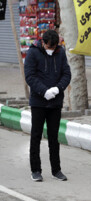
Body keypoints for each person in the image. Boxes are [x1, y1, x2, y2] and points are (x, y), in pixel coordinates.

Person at [24, 30, 71, 181]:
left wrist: (58, 88)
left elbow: (66, 74)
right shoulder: (33, 53)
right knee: (36, 135)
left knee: (53, 137)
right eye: (48, 46)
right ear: (43, 43)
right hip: (39, 102)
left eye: (53, 47)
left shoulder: (60, 52)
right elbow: (30, 76)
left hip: (55, 102)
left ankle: (56, 170)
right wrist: (43, 91)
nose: (51, 49)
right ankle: (36, 170)